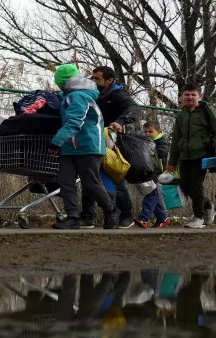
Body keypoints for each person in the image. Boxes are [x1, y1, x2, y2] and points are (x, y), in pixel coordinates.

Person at [48, 64, 119, 230]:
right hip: (70, 146)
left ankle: (111, 210)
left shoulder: (78, 96)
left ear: (62, 82)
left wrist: (56, 141)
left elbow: (75, 121)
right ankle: (72, 216)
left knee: (91, 182)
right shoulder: (71, 96)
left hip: (87, 145)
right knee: (66, 182)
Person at [79, 66, 143, 229]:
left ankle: (126, 215)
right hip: (91, 139)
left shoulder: (118, 95)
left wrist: (120, 122)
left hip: (110, 140)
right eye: (92, 77)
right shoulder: (90, 93)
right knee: (89, 176)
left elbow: (135, 109)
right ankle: (87, 216)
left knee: (114, 177)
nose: (93, 81)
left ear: (109, 81)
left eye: (97, 78)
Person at [167, 83, 216, 229]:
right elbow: (176, 140)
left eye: (193, 94)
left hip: (202, 154)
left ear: (199, 96)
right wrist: (172, 161)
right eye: (186, 94)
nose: (190, 97)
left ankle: (198, 217)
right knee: (185, 186)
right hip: (184, 156)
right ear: (182, 97)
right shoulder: (181, 115)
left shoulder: (207, 110)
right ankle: (207, 205)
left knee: (195, 185)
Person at [133, 121, 168, 228]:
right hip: (149, 171)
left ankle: (143, 218)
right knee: (154, 194)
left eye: (150, 132)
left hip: (156, 172)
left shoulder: (160, 142)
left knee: (151, 194)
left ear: (159, 132)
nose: (147, 134)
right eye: (145, 132)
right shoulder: (146, 142)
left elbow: (162, 155)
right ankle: (163, 218)